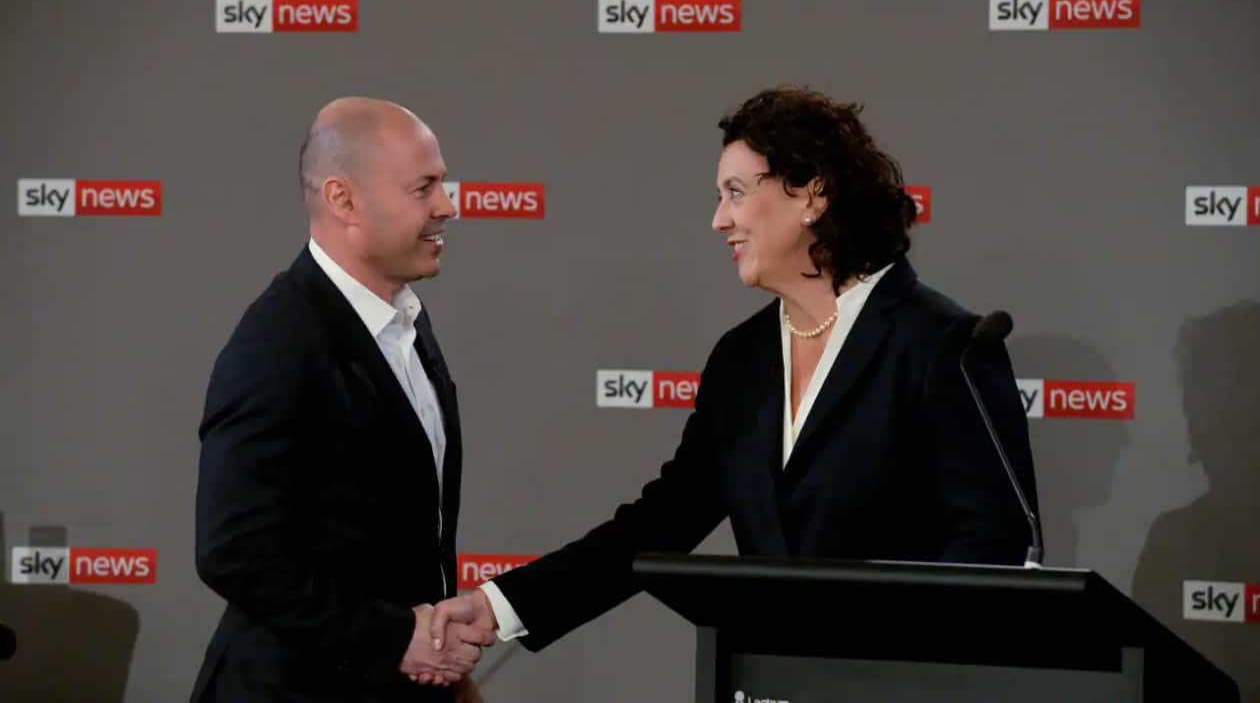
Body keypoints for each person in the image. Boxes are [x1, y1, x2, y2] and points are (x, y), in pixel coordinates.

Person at [427, 85, 1042, 656]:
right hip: (766, 682)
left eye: (737, 193)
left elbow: (991, 549)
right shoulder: (742, 360)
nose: (719, 220)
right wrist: (499, 606)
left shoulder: (943, 345)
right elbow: (663, 521)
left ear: (811, 194)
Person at [191, 97, 492, 703]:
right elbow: (234, 550)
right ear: (343, 200)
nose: (448, 206)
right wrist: (393, 639)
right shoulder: (278, 339)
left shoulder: (406, 321)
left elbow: (403, 537)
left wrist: (443, 672)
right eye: (423, 187)